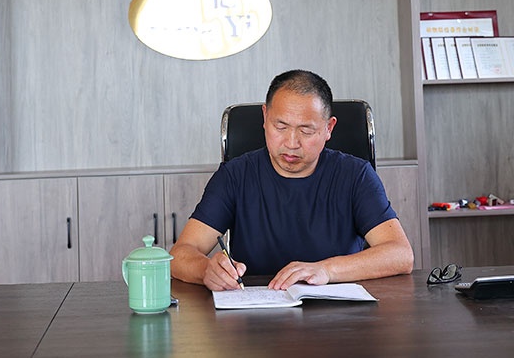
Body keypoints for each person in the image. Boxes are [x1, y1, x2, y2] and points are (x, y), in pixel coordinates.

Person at [170, 69, 414, 291]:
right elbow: (180, 255)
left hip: (340, 316)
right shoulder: (235, 176)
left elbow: (401, 254)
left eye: (306, 131)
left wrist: (326, 270)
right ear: (265, 117)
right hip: (257, 313)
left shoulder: (356, 175)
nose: (291, 143)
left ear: (329, 128)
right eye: (280, 127)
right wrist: (207, 270)